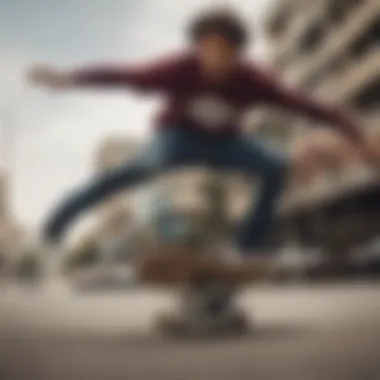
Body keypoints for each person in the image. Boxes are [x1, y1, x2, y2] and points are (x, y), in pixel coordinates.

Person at [29, 8, 373, 257]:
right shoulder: (179, 68)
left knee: (275, 167)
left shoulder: (255, 80)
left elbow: (306, 105)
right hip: (176, 138)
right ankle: (58, 221)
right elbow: (124, 75)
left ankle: (248, 247)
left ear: (237, 53)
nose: (211, 59)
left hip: (228, 143)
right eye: (204, 49)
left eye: (221, 51)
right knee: (142, 167)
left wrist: (354, 133)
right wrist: (70, 79)